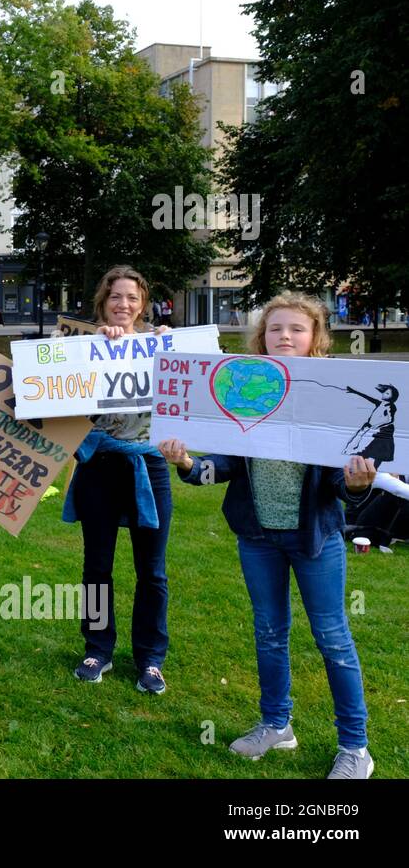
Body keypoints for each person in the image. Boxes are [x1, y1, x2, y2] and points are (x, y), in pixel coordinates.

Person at [157, 292, 376, 779]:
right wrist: (188, 464)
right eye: (276, 328)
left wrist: (356, 483)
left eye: (297, 329)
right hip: (258, 538)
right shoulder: (248, 388)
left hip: (315, 541)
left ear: (316, 337)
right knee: (270, 634)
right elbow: (225, 465)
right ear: (262, 337)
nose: (285, 336)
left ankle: (355, 748)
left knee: (333, 638)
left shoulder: (332, 397)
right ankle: (277, 725)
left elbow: (342, 483)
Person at [62, 265, 174, 694]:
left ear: (142, 303)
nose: (123, 305)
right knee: (97, 566)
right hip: (99, 466)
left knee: (153, 571)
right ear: (102, 303)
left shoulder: (162, 345)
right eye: (115, 298)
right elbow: (60, 405)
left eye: (131, 298)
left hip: (150, 467)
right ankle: (98, 648)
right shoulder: (82, 348)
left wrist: (170, 347)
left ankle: (150, 658)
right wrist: (96, 348)